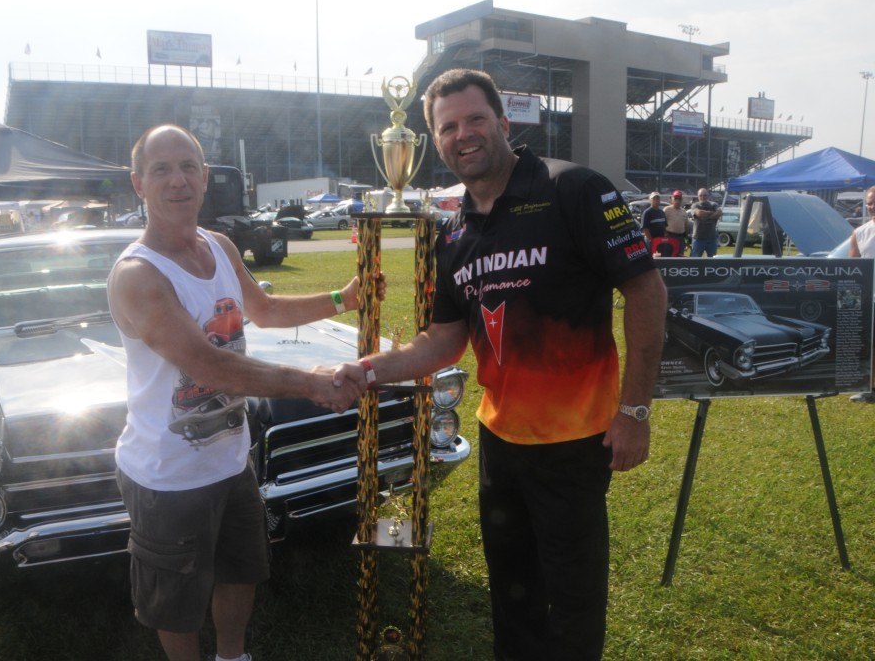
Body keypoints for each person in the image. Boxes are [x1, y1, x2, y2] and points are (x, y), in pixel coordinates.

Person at [334, 69, 667, 661]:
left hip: (575, 440)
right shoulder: (454, 233)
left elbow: (646, 292)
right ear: (435, 141)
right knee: (511, 596)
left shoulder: (575, 190)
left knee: (572, 601)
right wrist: (369, 368)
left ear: (504, 123)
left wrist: (635, 411)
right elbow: (441, 344)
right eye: (448, 127)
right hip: (500, 441)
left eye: (475, 120)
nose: (463, 134)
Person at [107, 124, 380, 661]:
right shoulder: (138, 275)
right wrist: (311, 384)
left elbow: (267, 310)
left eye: (188, 166)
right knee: (175, 599)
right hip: (167, 472)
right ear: (138, 183)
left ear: (206, 177)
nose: (177, 180)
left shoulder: (220, 245)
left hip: (232, 461)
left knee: (240, 570)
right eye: (160, 170)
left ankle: (232, 657)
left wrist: (342, 298)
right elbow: (212, 366)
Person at [847, 185, 875, 403]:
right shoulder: (860, 232)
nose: (870, 206)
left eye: (874, 202)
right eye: (868, 202)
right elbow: (851, 269)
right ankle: (871, 389)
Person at [689, 188, 722, 257]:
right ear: (698, 196)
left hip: (712, 238)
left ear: (708, 196)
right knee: (694, 261)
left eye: (705, 195)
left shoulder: (714, 204)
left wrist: (706, 216)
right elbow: (699, 213)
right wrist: (713, 214)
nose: (702, 197)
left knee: (712, 261)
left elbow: (719, 213)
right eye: (700, 195)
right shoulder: (695, 205)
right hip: (698, 238)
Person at [663, 191, 689, 256]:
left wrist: (687, 238)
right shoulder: (667, 209)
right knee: (668, 255)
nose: (677, 201)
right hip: (669, 236)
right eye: (675, 198)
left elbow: (685, 226)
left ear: (681, 200)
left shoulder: (684, 211)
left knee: (680, 256)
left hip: (681, 238)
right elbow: (662, 223)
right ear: (672, 199)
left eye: (679, 199)